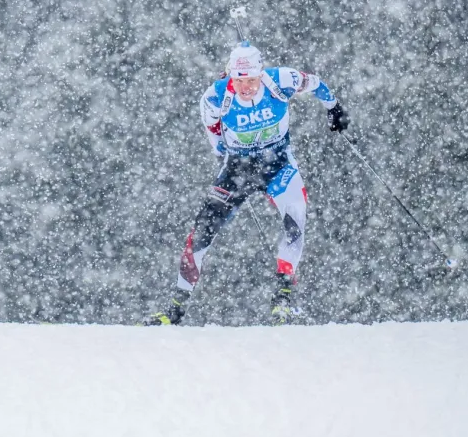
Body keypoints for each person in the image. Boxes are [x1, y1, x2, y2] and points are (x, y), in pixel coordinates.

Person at [142, 41, 349, 326]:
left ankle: (283, 299)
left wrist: (334, 108)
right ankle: (174, 310)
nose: (247, 87)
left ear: (260, 74)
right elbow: (214, 135)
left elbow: (315, 84)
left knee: (295, 216)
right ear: (231, 77)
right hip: (238, 170)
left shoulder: (280, 80)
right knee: (201, 232)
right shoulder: (215, 97)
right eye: (240, 81)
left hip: (278, 165)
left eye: (252, 80)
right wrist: (229, 152)